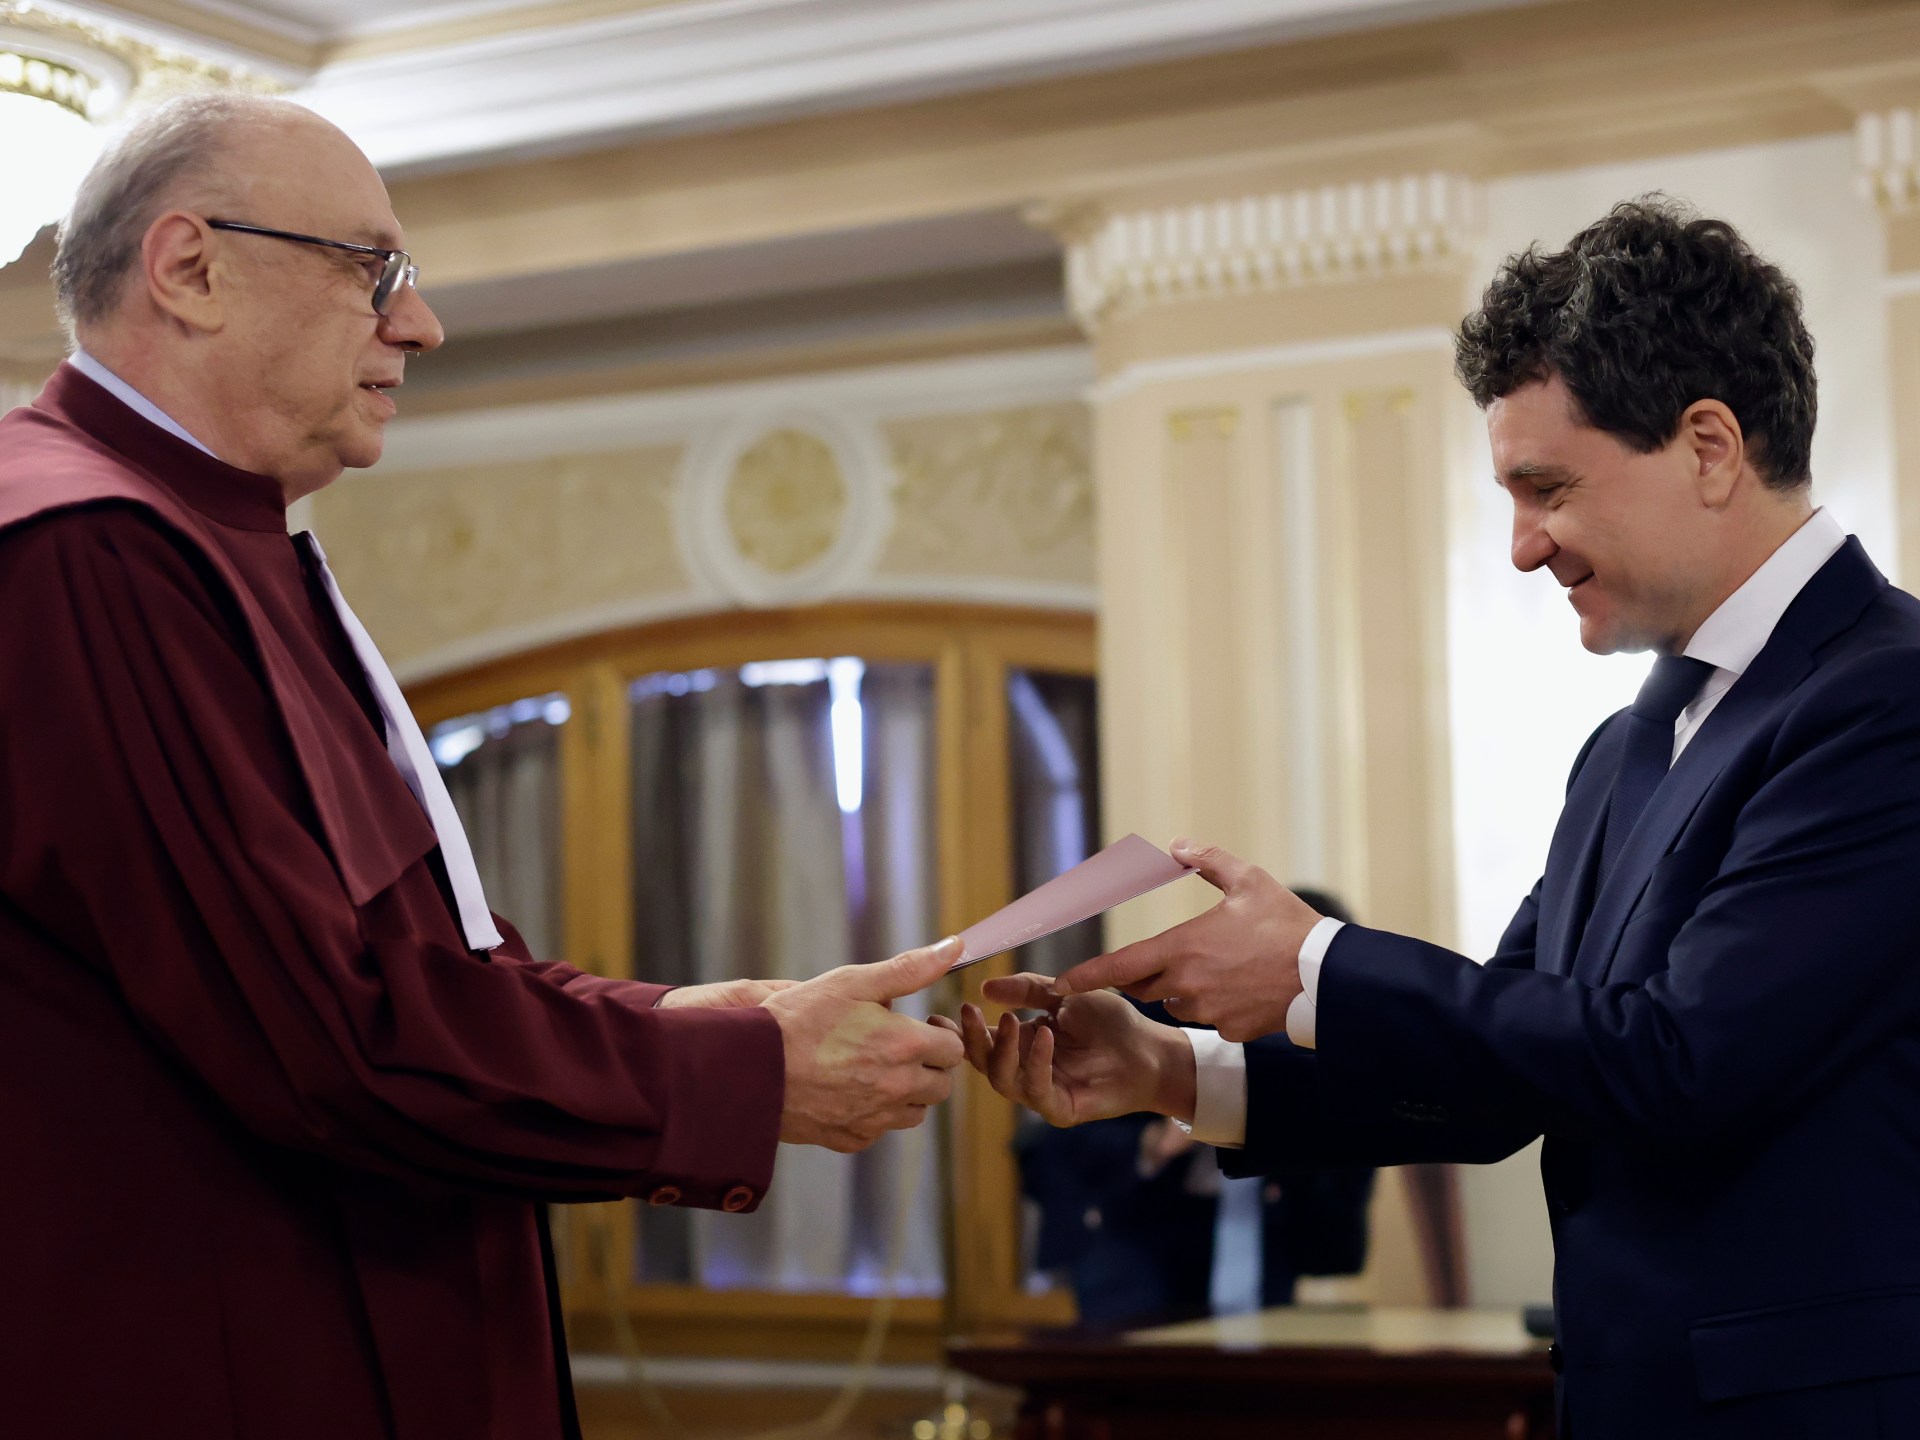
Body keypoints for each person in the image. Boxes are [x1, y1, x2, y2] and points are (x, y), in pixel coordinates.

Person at [0, 93, 963, 1440]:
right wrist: (740, 1078)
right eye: (371, 268)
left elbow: (420, 966)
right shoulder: (89, 551)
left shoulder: (216, 542)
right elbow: (326, 1039)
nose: (419, 323)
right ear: (190, 269)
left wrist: (685, 1021)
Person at [957, 198, 1920, 1438]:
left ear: (1710, 446)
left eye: (1547, 489)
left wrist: (1316, 962)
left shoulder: (1886, 694)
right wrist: (1169, 1069)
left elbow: (1683, 1063)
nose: (1522, 548)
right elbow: (1497, 1081)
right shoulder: (1625, 747)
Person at [1013, 890, 1373, 1327]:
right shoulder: (1158, 1018)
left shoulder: (1342, 1060)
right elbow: (1045, 1151)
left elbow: (1339, 1247)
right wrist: (1151, 1144)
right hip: (1136, 1267)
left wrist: (1295, 1145)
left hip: (1268, 1282)